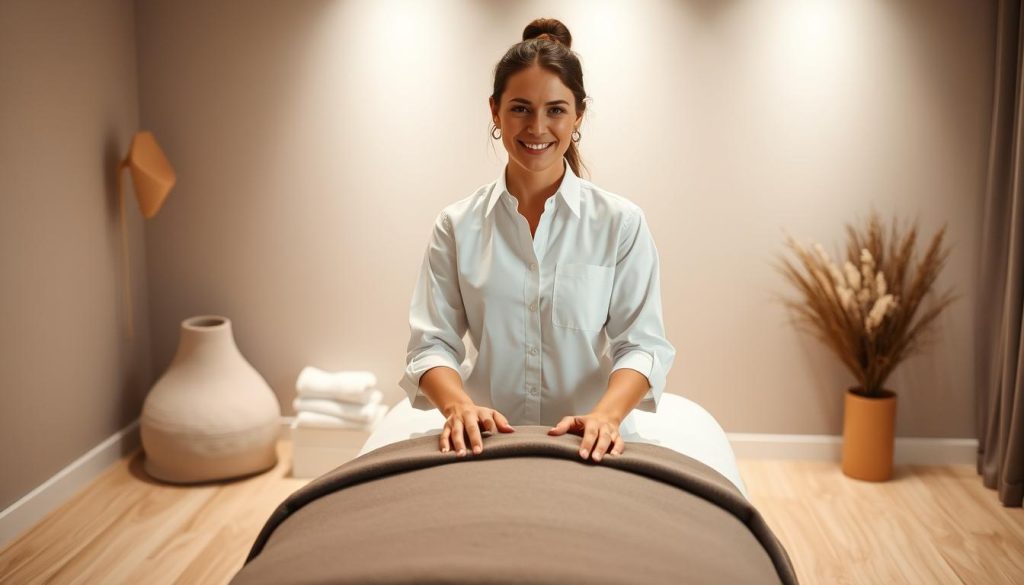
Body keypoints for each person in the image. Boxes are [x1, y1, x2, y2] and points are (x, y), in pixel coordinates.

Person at [399, 17, 675, 464]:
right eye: (521, 108)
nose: (538, 128)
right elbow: (431, 344)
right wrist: (458, 406)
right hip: (484, 443)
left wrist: (605, 416)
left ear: (578, 115)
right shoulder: (455, 226)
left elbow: (641, 345)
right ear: (495, 111)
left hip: (591, 446)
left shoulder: (621, 223)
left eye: (556, 110)